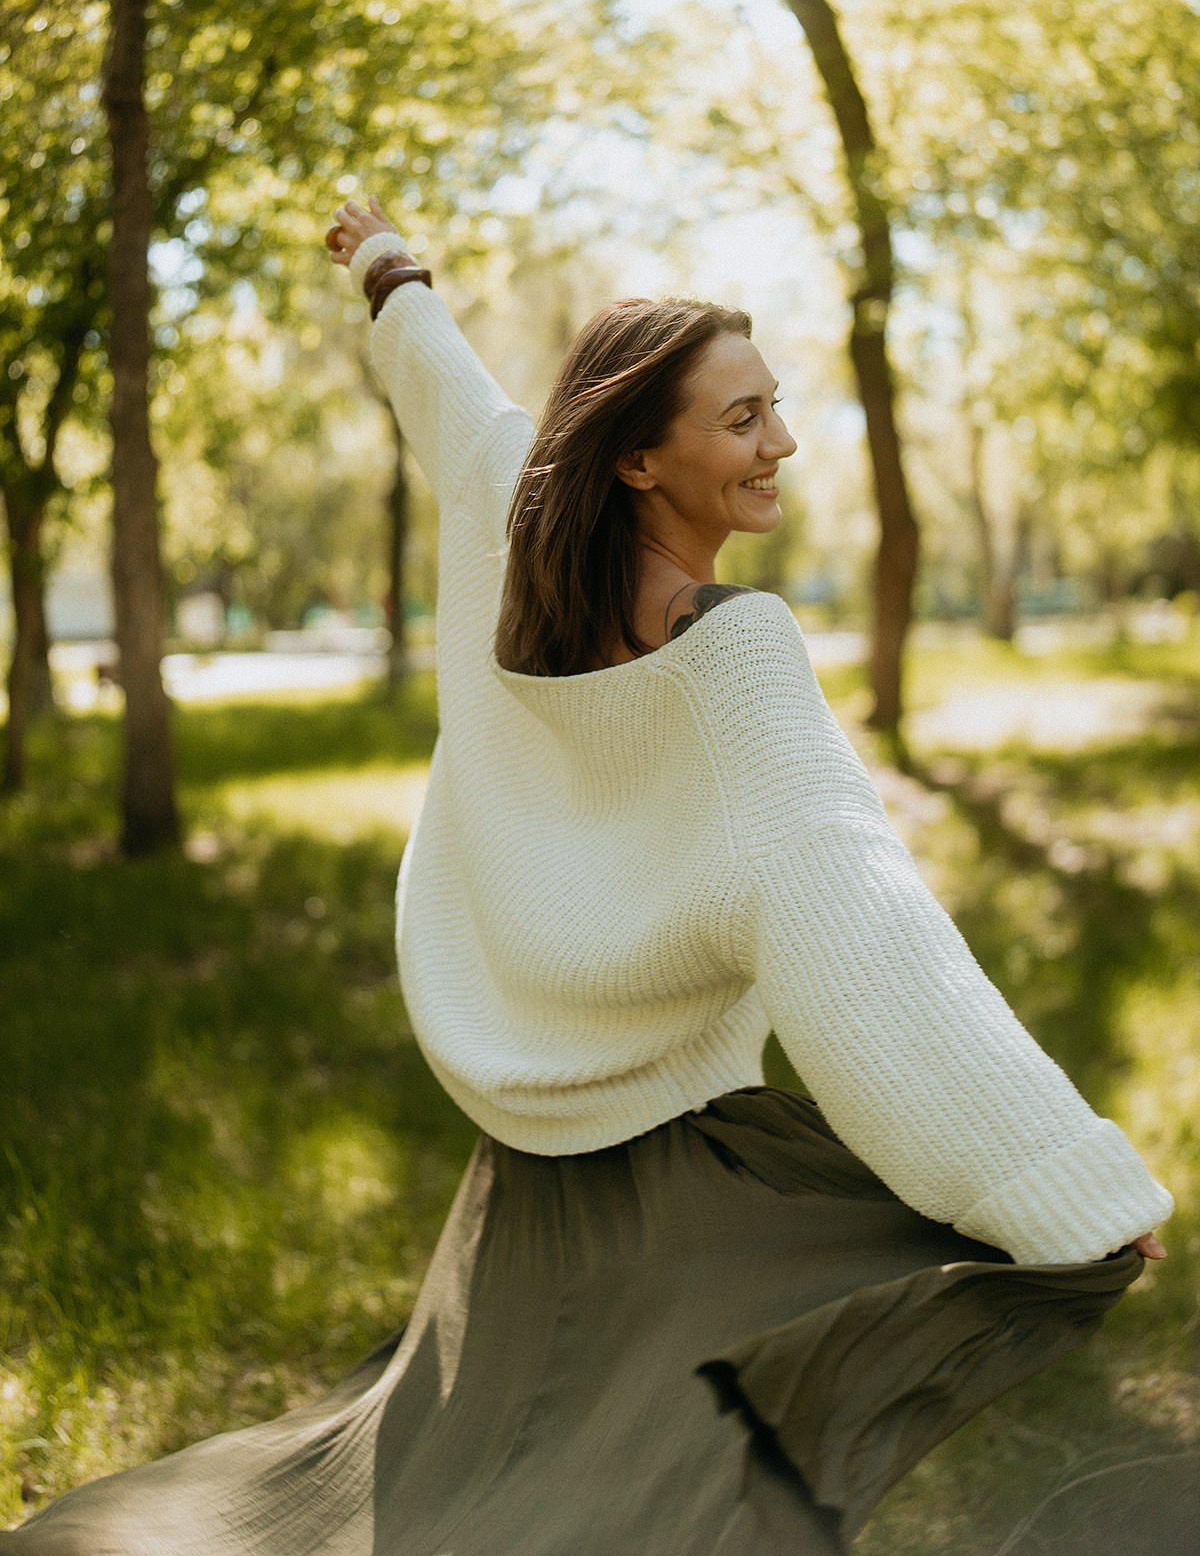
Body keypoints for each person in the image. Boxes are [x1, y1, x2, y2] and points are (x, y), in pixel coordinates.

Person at [5, 196, 1172, 1556]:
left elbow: (444, 388)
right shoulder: (736, 664)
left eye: (774, 408)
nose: (781, 443)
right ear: (634, 461)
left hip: (517, 1177)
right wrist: (1067, 1190)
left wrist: (391, 271)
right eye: (742, 421)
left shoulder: (515, 513)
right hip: (675, 1188)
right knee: (637, 1513)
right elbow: (863, 934)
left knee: (471, 1487)